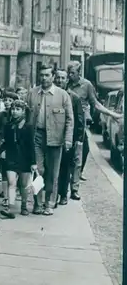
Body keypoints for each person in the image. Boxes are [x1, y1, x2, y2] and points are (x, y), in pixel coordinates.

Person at [27, 64, 74, 216]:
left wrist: (67, 139)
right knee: (38, 170)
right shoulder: (32, 93)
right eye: (42, 75)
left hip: (56, 138)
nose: (44, 78)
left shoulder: (62, 95)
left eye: (47, 75)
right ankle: (37, 203)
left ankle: (49, 203)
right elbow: (26, 116)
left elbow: (69, 119)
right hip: (37, 137)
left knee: (53, 172)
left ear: (53, 77)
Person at [67, 61, 122, 181]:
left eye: (72, 73)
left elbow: (96, 104)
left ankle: (77, 173)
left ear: (79, 73)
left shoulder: (86, 85)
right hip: (66, 121)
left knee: (84, 149)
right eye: (68, 73)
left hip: (79, 123)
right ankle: (70, 174)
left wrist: (112, 114)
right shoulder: (66, 84)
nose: (69, 76)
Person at [0, 100, 36, 219]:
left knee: (23, 184)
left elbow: (31, 145)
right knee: (11, 182)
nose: (14, 112)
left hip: (25, 158)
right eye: (13, 109)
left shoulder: (28, 126)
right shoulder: (8, 125)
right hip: (11, 156)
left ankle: (24, 206)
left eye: (18, 109)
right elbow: (6, 142)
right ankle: (10, 207)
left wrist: (33, 162)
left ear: (23, 111)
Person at [54, 69, 85, 204]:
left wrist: (78, 139)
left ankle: (63, 194)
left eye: (63, 78)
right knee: (52, 167)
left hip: (68, 138)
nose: (60, 80)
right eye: (58, 78)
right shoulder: (51, 95)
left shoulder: (74, 98)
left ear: (67, 80)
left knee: (65, 166)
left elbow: (79, 120)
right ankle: (52, 194)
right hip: (52, 136)